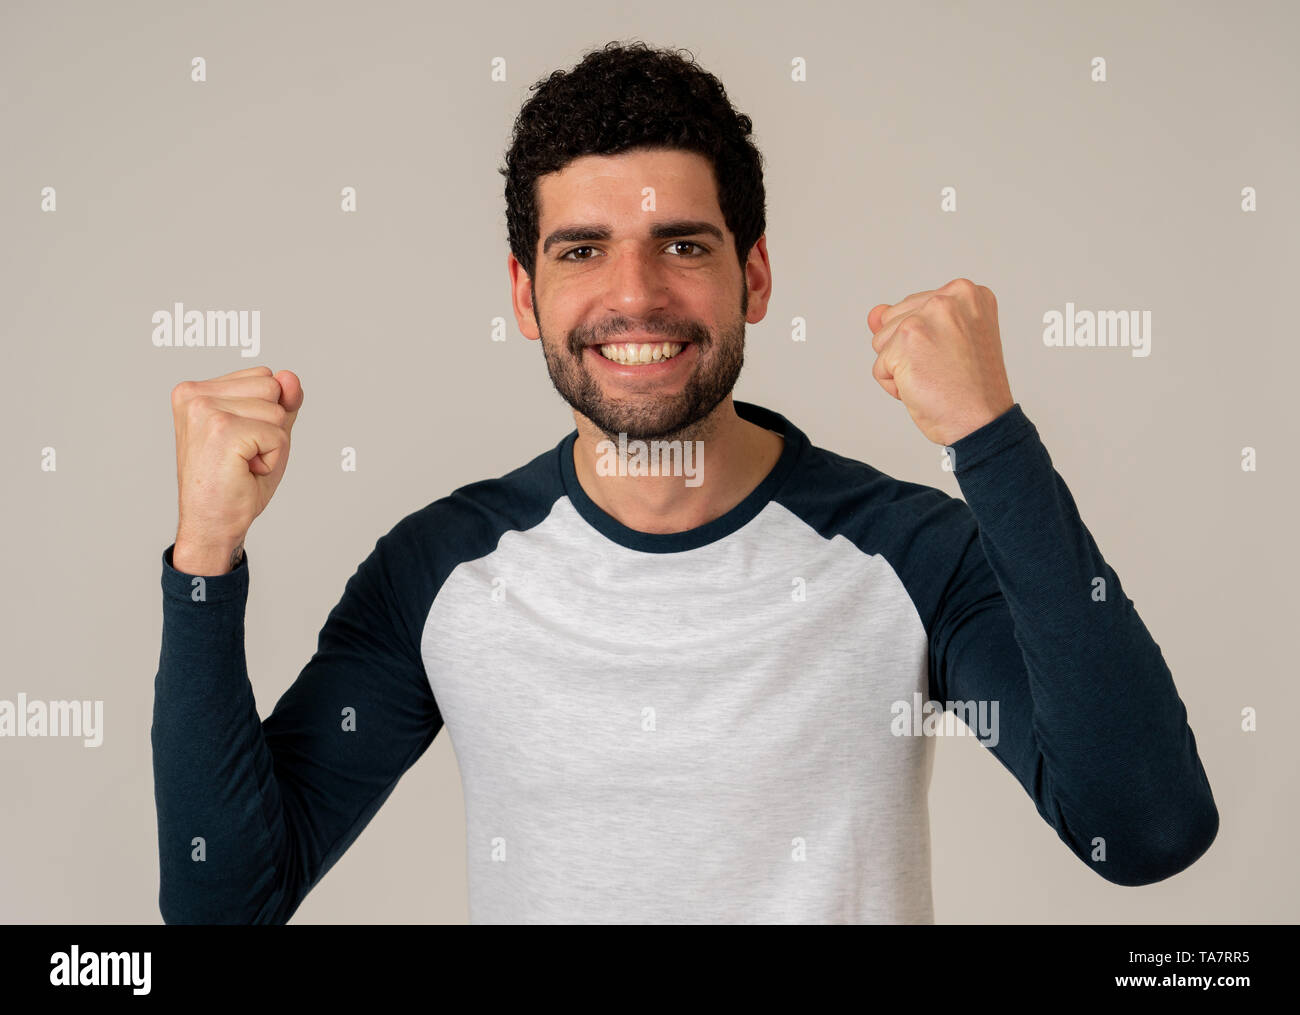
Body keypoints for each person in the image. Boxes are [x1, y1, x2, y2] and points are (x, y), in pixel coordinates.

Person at [153, 40, 1218, 924]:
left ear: (752, 275)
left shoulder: (909, 552)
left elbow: (1144, 831)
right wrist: (206, 555)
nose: (636, 294)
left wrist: (989, 437)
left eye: (681, 244)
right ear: (525, 296)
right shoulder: (439, 568)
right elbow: (223, 903)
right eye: (581, 251)